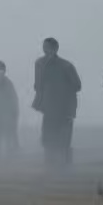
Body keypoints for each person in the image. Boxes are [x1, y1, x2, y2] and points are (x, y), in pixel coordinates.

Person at [33, 38, 81, 166]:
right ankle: (50, 167)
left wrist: (61, 89)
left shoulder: (66, 66)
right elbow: (37, 86)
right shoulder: (39, 64)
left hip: (65, 109)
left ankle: (66, 169)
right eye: (44, 47)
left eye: (48, 47)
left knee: (64, 141)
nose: (45, 50)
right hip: (49, 109)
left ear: (55, 49)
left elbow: (77, 85)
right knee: (48, 140)